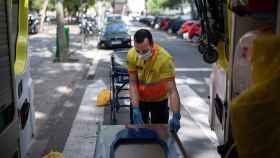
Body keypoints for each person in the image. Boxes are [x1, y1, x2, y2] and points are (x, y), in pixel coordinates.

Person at [127, 29, 181, 132]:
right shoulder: (131, 55)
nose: (141, 54)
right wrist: (135, 107)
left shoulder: (164, 59)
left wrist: (176, 114)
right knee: (138, 134)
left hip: (159, 100)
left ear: (152, 44)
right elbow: (133, 83)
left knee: (160, 133)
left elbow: (172, 90)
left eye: (145, 51)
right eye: (138, 51)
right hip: (140, 100)